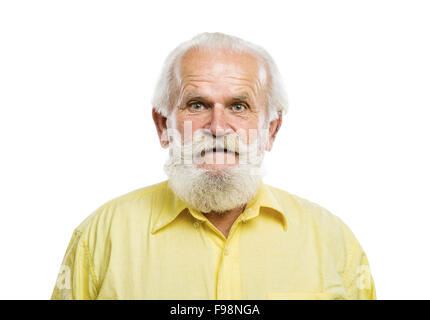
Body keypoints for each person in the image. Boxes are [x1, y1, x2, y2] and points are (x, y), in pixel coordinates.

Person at [51, 32, 376, 300]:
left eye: (239, 106)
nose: (218, 126)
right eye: (197, 104)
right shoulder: (101, 238)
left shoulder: (333, 241)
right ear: (163, 125)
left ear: (271, 130)